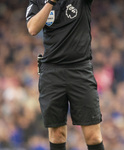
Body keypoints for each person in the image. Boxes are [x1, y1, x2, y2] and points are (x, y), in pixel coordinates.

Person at [26, 0, 105, 149]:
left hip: (80, 70)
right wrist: (50, 2)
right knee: (57, 134)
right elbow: (32, 28)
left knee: (93, 136)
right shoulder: (38, 1)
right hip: (51, 72)